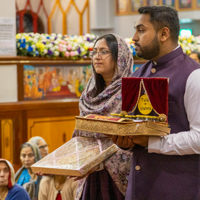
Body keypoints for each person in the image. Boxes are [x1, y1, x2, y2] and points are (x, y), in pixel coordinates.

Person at [112, 6, 200, 200]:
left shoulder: (193, 75)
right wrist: (125, 141)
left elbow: (199, 139)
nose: (134, 37)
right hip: (139, 188)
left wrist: (152, 142)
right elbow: (134, 129)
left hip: (177, 190)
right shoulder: (138, 74)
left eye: (141, 30)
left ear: (164, 34)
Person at [72, 33, 133, 200]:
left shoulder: (131, 93)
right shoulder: (88, 94)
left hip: (117, 178)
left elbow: (136, 141)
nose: (97, 57)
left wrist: (101, 160)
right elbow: (81, 136)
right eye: (95, 52)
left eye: (104, 52)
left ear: (119, 57)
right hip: (90, 175)